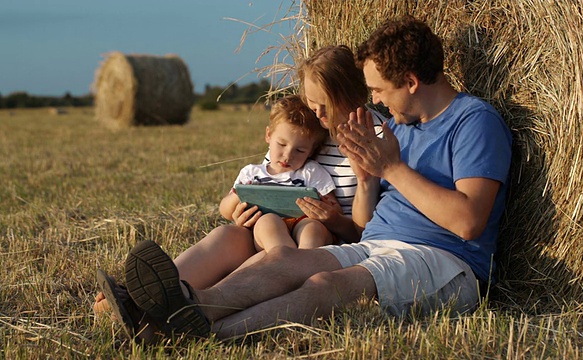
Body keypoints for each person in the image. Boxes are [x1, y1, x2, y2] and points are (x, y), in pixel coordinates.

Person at [108, 15, 513, 342]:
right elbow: (365, 223)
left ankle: (204, 334)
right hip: (375, 245)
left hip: (444, 263)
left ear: (410, 81)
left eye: (379, 89)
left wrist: (391, 168)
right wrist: (370, 179)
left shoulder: (473, 122)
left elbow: (468, 221)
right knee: (285, 261)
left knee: (323, 285)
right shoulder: (398, 130)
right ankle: (186, 305)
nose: (373, 100)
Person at [93, 45, 384, 320]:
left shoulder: (378, 136)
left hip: (322, 243)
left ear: (351, 94)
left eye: (325, 105)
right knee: (228, 235)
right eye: (310, 102)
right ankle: (136, 298)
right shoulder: (308, 130)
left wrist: (334, 220)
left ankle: (190, 304)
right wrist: (239, 212)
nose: (316, 113)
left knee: (281, 253)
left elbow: (367, 232)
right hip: (274, 228)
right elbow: (270, 176)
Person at [220, 94, 337, 252]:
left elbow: (335, 209)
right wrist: (238, 195)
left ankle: (306, 261)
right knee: (268, 222)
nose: (288, 155)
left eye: (300, 150)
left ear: (311, 151)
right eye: (281, 144)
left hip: (301, 221)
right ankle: (283, 258)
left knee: (312, 228)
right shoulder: (251, 173)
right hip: (266, 226)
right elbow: (225, 211)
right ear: (268, 135)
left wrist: (326, 207)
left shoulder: (311, 171)